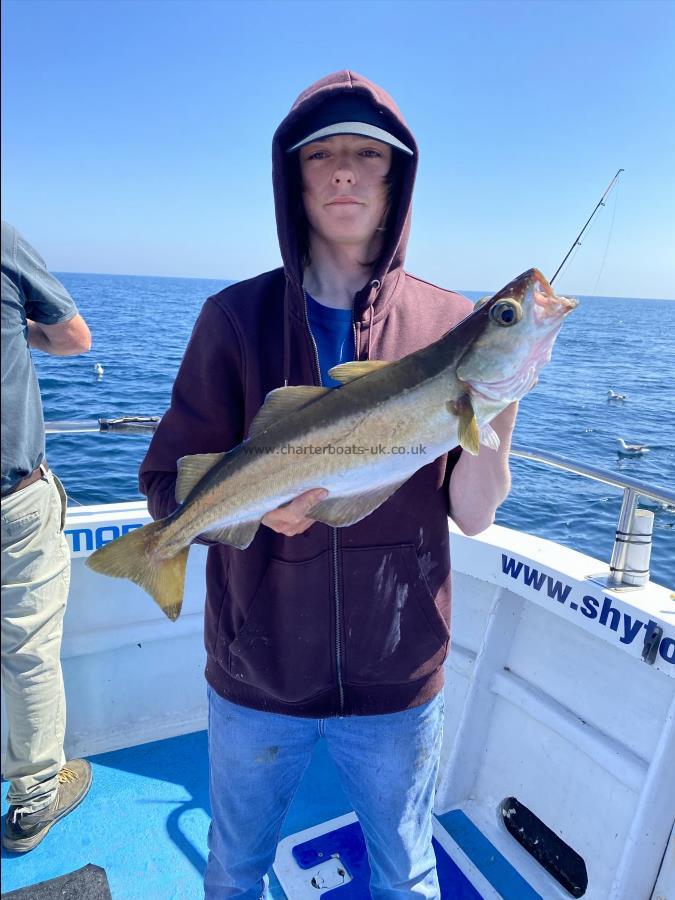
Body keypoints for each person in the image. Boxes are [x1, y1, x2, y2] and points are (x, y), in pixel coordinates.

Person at [140, 71, 518, 898]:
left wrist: (495, 412)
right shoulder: (233, 319)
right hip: (257, 671)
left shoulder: (451, 323)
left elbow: (474, 515)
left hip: (398, 672)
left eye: (367, 155)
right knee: (234, 870)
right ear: (293, 177)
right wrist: (228, 517)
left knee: (406, 874)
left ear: (396, 180)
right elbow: (167, 481)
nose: (344, 171)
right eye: (323, 156)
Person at [1, 221, 93, 853]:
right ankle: (33, 798)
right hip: (12, 499)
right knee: (28, 648)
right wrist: (22, 332)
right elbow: (73, 337)